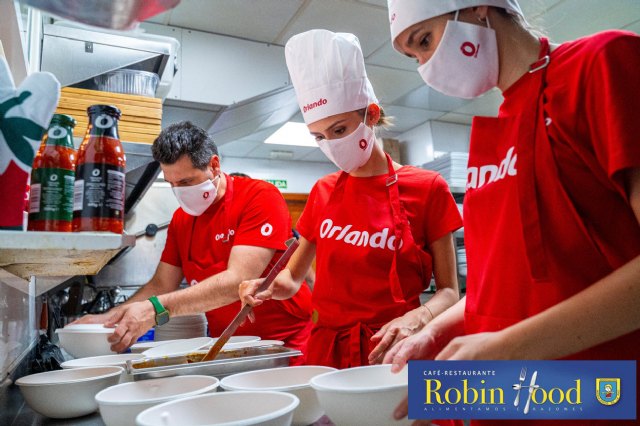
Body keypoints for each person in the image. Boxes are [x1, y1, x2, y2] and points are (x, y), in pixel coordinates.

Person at [384, 1, 640, 425]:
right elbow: (504, 286)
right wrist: (433, 329)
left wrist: (507, 347)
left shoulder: (603, 64)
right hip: (515, 392)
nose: (425, 67)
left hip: (600, 389)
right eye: (414, 58)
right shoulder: (502, 122)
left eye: (424, 42)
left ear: (480, 8)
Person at [239, 30, 463, 369]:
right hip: (328, 353)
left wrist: (419, 316)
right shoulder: (322, 191)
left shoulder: (427, 187)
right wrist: (266, 287)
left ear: (371, 115)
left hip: (396, 347)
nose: (330, 144)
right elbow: (292, 279)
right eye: (319, 137)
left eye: (340, 130)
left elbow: (450, 292)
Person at [76, 122, 313, 362]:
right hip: (226, 344)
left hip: (283, 344)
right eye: (171, 184)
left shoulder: (259, 197)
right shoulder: (181, 219)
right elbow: (161, 285)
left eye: (187, 182)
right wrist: (110, 317)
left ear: (214, 165)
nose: (179, 191)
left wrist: (155, 309)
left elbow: (238, 281)